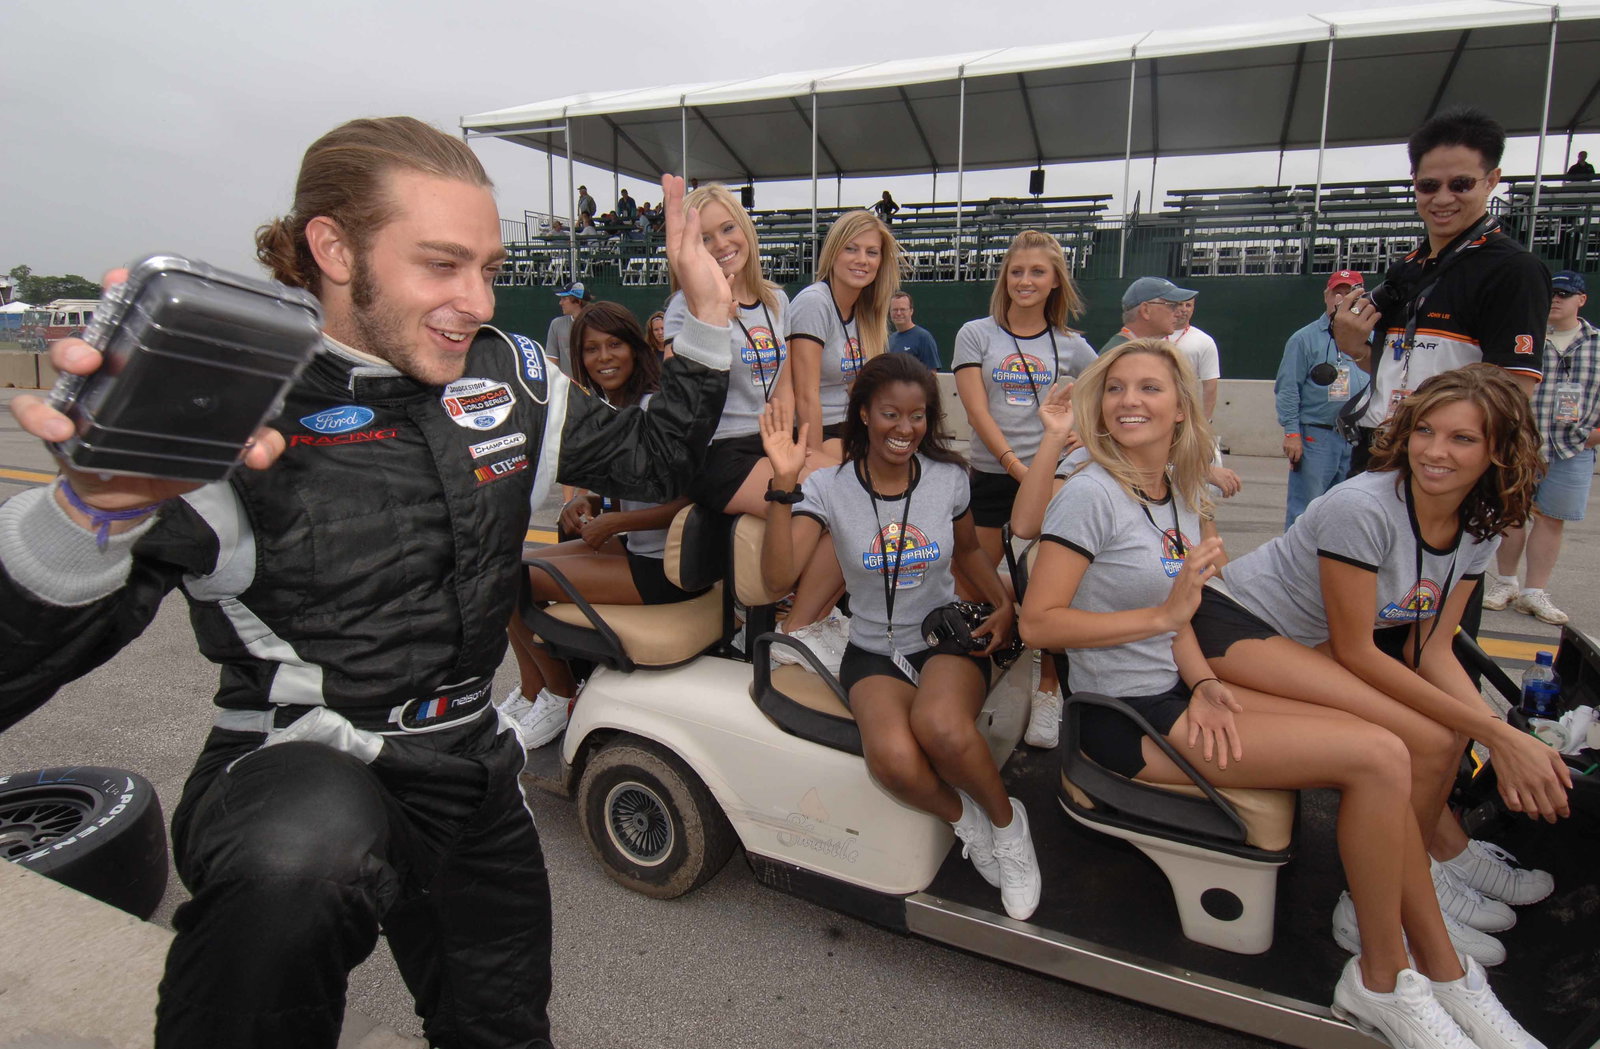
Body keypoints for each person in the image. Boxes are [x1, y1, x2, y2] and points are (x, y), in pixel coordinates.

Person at [0, 117, 737, 1049]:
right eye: (441, 264)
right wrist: (90, 514)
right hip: (301, 770)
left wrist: (707, 319)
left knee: (504, 1029)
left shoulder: (513, 374)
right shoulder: (239, 408)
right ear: (333, 248)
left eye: (488, 265)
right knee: (302, 852)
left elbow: (656, 455)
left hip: (470, 765)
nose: (476, 300)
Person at [1019, 343, 1544, 1049]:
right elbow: (1039, 622)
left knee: (1389, 749)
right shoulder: (1090, 492)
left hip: (1181, 689)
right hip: (1124, 719)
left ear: (1182, 406)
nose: (1128, 401)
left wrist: (1204, 679)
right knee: (1379, 755)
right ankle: (1391, 978)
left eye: (1149, 387)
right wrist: (1165, 621)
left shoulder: (1170, 491)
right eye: (1115, 388)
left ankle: (1435, 974)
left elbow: (1178, 615)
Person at [1191, 366, 1570, 970]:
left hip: (1305, 646)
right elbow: (1358, 651)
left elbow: (1431, 649)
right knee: (1425, 736)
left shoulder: (1479, 521)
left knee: (1446, 739)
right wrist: (1498, 733)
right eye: (1426, 430)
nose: (1436, 451)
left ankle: (1428, 864)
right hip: (1236, 626)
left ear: (1498, 449)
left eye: (1462, 439)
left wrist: (1506, 737)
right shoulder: (1362, 507)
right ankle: (1374, 903)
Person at [758, 353, 1041, 921]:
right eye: (891, 414)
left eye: (917, 416)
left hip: (941, 637)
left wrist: (1005, 603)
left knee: (940, 726)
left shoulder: (947, 478)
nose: (905, 429)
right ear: (863, 414)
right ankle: (970, 823)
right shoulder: (830, 488)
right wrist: (783, 485)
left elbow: (965, 553)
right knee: (891, 759)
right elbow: (776, 579)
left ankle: (1011, 830)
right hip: (872, 647)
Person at [502, 302, 707, 747]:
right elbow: (636, 481)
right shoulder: (610, 406)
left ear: (635, 348)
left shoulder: (654, 405)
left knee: (512, 580)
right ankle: (532, 689)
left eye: (614, 344)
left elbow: (694, 496)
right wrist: (593, 500)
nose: (604, 357)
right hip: (634, 549)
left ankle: (560, 696)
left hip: (662, 568)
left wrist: (617, 522)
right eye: (591, 348)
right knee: (502, 570)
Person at [1335, 107, 1549, 476]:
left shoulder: (1513, 269)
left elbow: (1513, 391)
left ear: (1491, 180)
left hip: (1443, 461)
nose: (1443, 198)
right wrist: (1354, 348)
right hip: (1380, 445)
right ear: (1414, 182)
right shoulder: (1407, 267)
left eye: (1461, 184)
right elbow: (1397, 366)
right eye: (1429, 185)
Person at [952, 230, 1096, 749]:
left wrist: (1080, 431)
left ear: (1055, 280)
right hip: (994, 475)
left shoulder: (1074, 346)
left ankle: (1050, 687)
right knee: (976, 581)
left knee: (1046, 587)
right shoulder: (976, 334)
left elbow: (1100, 393)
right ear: (1004, 278)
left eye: (1038, 271)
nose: (1026, 281)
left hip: (1052, 479)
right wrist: (1015, 465)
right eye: (1017, 271)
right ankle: (978, 667)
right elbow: (975, 409)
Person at [663, 183, 808, 518]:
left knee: (850, 487)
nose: (721, 244)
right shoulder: (685, 307)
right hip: (716, 451)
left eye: (728, 228)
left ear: (745, 228)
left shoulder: (776, 300)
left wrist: (782, 445)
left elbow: (783, 389)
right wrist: (710, 321)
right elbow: (676, 396)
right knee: (812, 504)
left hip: (769, 442)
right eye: (704, 238)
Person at [1484, 270, 1600, 624]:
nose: (1556, 299)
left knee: (1552, 520)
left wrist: (1593, 436)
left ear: (1581, 299)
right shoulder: (1526, 338)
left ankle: (1535, 592)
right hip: (1521, 442)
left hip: (1574, 448)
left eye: (1565, 294)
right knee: (1511, 515)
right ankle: (1505, 582)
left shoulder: (1596, 343)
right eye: (1552, 293)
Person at [1105, 277, 1242, 498]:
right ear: (1146, 310)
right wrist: (1201, 471)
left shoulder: (1139, 352)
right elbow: (1135, 437)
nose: (1179, 311)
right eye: (1171, 305)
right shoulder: (1126, 358)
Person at [1276, 270, 1373, 527]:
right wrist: (1291, 433)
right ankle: (1297, 565)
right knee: (1306, 508)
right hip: (1317, 436)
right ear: (1326, 296)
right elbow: (1288, 388)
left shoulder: (1373, 337)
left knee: (1349, 509)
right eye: (1337, 292)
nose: (1342, 298)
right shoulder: (1304, 339)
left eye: (1349, 292)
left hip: (1359, 436)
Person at [1169, 294, 1221, 420]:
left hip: (1186, 410)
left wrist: (1206, 421)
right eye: (1180, 304)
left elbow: (1210, 386)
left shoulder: (1204, 341)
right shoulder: (1152, 336)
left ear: (1193, 309)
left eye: (1188, 305)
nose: (1184, 309)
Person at [888, 291, 940, 370]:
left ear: (911, 311)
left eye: (903, 309)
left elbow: (931, 374)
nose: (898, 313)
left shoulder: (923, 337)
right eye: (895, 310)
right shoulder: (891, 339)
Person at [546, 279, 588, 377]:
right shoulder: (556, 324)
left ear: (578, 301)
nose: (560, 303)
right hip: (568, 389)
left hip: (595, 388)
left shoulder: (597, 323)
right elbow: (551, 361)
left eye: (564, 299)